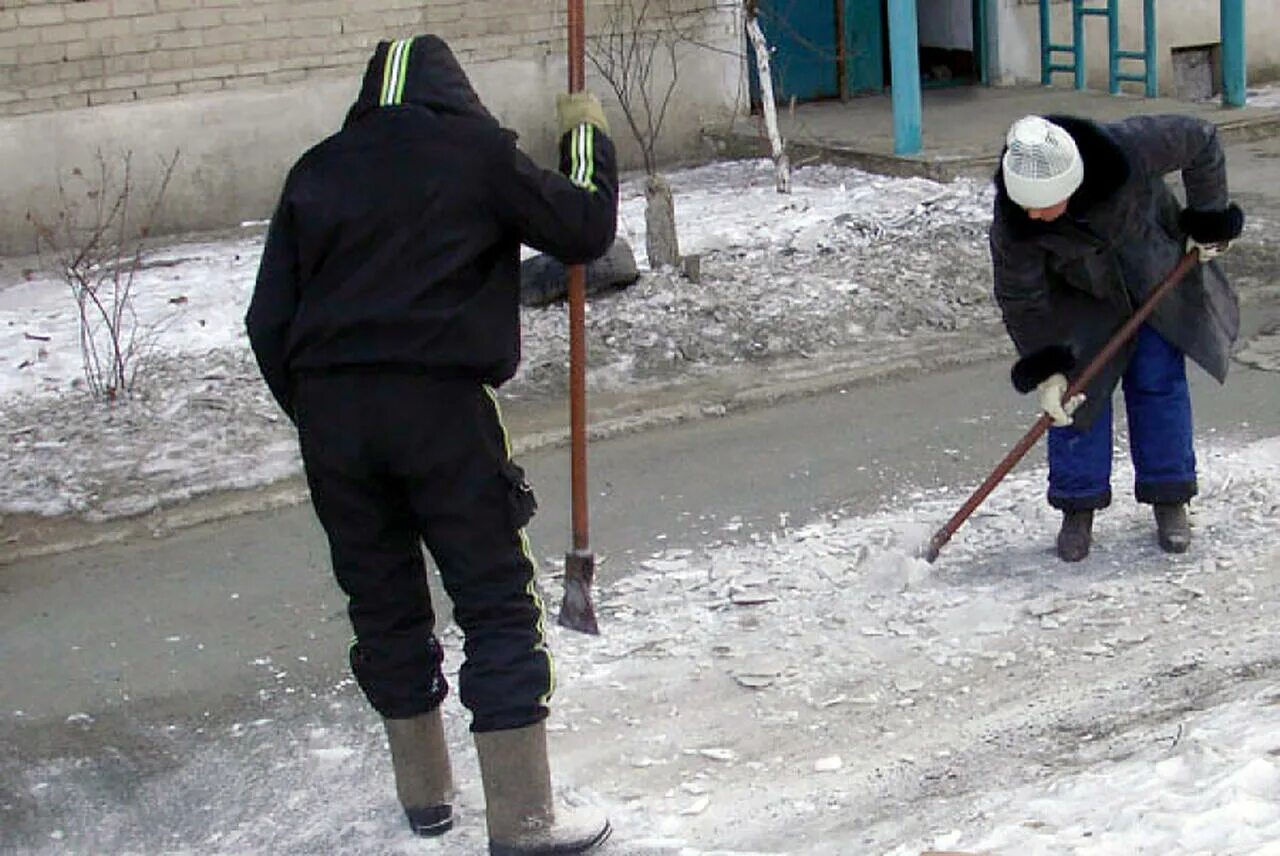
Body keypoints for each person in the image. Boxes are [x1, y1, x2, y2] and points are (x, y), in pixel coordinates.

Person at [245, 34, 617, 855]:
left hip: (334, 421)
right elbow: (583, 228)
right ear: (453, 90)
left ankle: (427, 802)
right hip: (441, 411)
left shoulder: (318, 169)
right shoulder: (476, 154)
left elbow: (266, 320)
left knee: (383, 606)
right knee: (493, 602)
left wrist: (317, 415)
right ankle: (523, 819)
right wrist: (585, 138)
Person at [989, 113, 1244, 562]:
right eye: (1026, 205)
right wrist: (1045, 367)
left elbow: (1202, 140)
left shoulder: (1127, 148)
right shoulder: (1016, 223)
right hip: (1082, 299)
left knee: (1158, 383)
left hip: (1153, 273)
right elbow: (1021, 296)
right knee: (1077, 399)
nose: (1033, 214)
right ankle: (1077, 506)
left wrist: (1208, 220)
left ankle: (1170, 498)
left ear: (1068, 187)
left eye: (1043, 205)